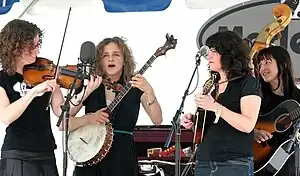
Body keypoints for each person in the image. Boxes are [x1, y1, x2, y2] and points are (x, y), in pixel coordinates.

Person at [63, 36, 163, 176]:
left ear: (124, 60)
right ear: (100, 61)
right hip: (90, 156)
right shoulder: (91, 85)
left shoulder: (136, 86)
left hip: (121, 157)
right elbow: (64, 121)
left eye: (116, 54)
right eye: (105, 56)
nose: (111, 59)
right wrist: (89, 119)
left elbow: (157, 119)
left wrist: (150, 91)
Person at [181, 30, 262, 176]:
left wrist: (215, 106)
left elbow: (247, 125)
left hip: (233, 161)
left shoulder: (248, 83)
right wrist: (194, 122)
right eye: (209, 51)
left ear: (228, 54)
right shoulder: (212, 84)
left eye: (214, 51)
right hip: (204, 160)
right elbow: (213, 125)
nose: (209, 56)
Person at [0, 19, 65, 175]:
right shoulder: (2, 78)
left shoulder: (45, 72)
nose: (37, 51)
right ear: (14, 47)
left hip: (46, 151)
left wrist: (81, 95)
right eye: (31, 47)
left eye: (38, 45)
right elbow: (6, 116)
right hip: (17, 153)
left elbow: (61, 111)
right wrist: (34, 91)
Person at [252, 45, 300, 176]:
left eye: (267, 62)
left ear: (283, 64)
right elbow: (236, 122)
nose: (262, 69)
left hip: (291, 162)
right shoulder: (255, 97)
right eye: (260, 65)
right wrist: (253, 132)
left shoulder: (297, 99)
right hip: (257, 159)